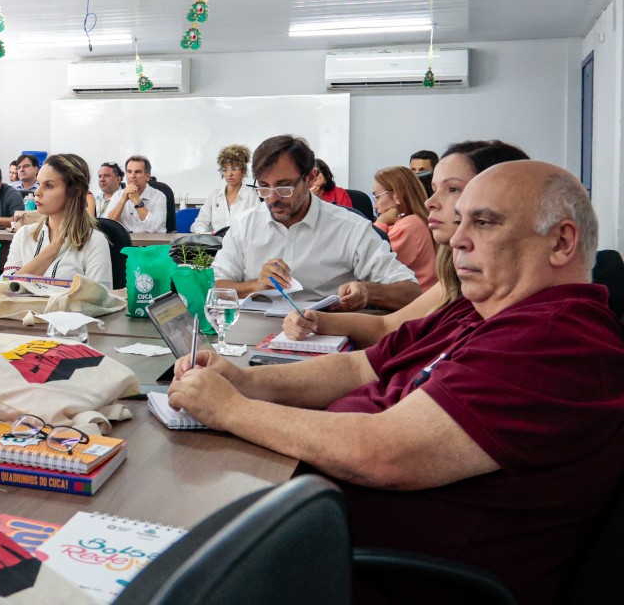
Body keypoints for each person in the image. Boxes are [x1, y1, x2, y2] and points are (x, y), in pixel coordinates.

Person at [170, 161, 624, 604]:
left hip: (379, 576)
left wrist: (231, 409)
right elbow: (358, 368)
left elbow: (383, 453)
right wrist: (243, 382)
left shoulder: (555, 340)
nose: (458, 239)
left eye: (484, 223)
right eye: (461, 219)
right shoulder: (479, 310)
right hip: (327, 531)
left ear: (561, 242)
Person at [284, 140, 530, 346]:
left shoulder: (510, 312)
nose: (430, 202)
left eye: (452, 189)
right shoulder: (456, 281)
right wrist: (314, 319)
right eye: (433, 189)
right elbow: (386, 325)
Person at [213, 135, 419, 312]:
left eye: (285, 187)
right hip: (253, 333)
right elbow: (215, 288)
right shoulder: (245, 224)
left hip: (324, 333)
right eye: (264, 187)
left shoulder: (350, 227)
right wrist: (256, 286)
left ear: (310, 178)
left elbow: (411, 292)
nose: (272, 198)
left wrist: (368, 292)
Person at [2, 153, 112, 285]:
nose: (37, 192)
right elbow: (5, 288)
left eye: (49, 186)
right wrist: (54, 248)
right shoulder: (24, 235)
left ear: (76, 191)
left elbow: (98, 300)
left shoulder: (94, 241)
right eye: (38, 184)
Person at [371, 165, 437, 291]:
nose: (375, 205)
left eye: (377, 196)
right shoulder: (411, 221)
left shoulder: (409, 226)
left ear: (397, 196)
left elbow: (373, 263)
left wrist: (380, 222)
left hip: (415, 303)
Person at [193, 144, 259, 234]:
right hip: (216, 245)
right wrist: (205, 233)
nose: (229, 173)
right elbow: (199, 223)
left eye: (234, 169)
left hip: (242, 245)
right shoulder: (214, 195)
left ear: (243, 171)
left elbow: (258, 225)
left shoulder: (251, 195)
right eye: (225, 169)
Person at [104, 155, 167, 233]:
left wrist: (137, 202)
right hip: (125, 243)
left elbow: (153, 228)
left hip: (152, 243)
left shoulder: (159, 196)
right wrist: (123, 199)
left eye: (137, 172)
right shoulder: (117, 195)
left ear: (147, 176)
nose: (132, 176)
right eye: (129, 172)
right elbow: (108, 225)